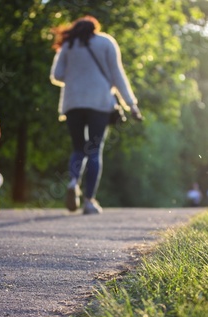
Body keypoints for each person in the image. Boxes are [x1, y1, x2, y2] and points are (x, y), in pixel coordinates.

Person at [50, 16, 142, 214]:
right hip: (99, 103)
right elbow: (118, 76)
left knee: (78, 148)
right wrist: (131, 105)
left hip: (73, 103)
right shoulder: (106, 42)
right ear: (95, 28)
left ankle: (73, 181)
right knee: (93, 149)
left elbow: (56, 75)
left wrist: (76, 76)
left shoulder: (68, 44)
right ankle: (89, 201)